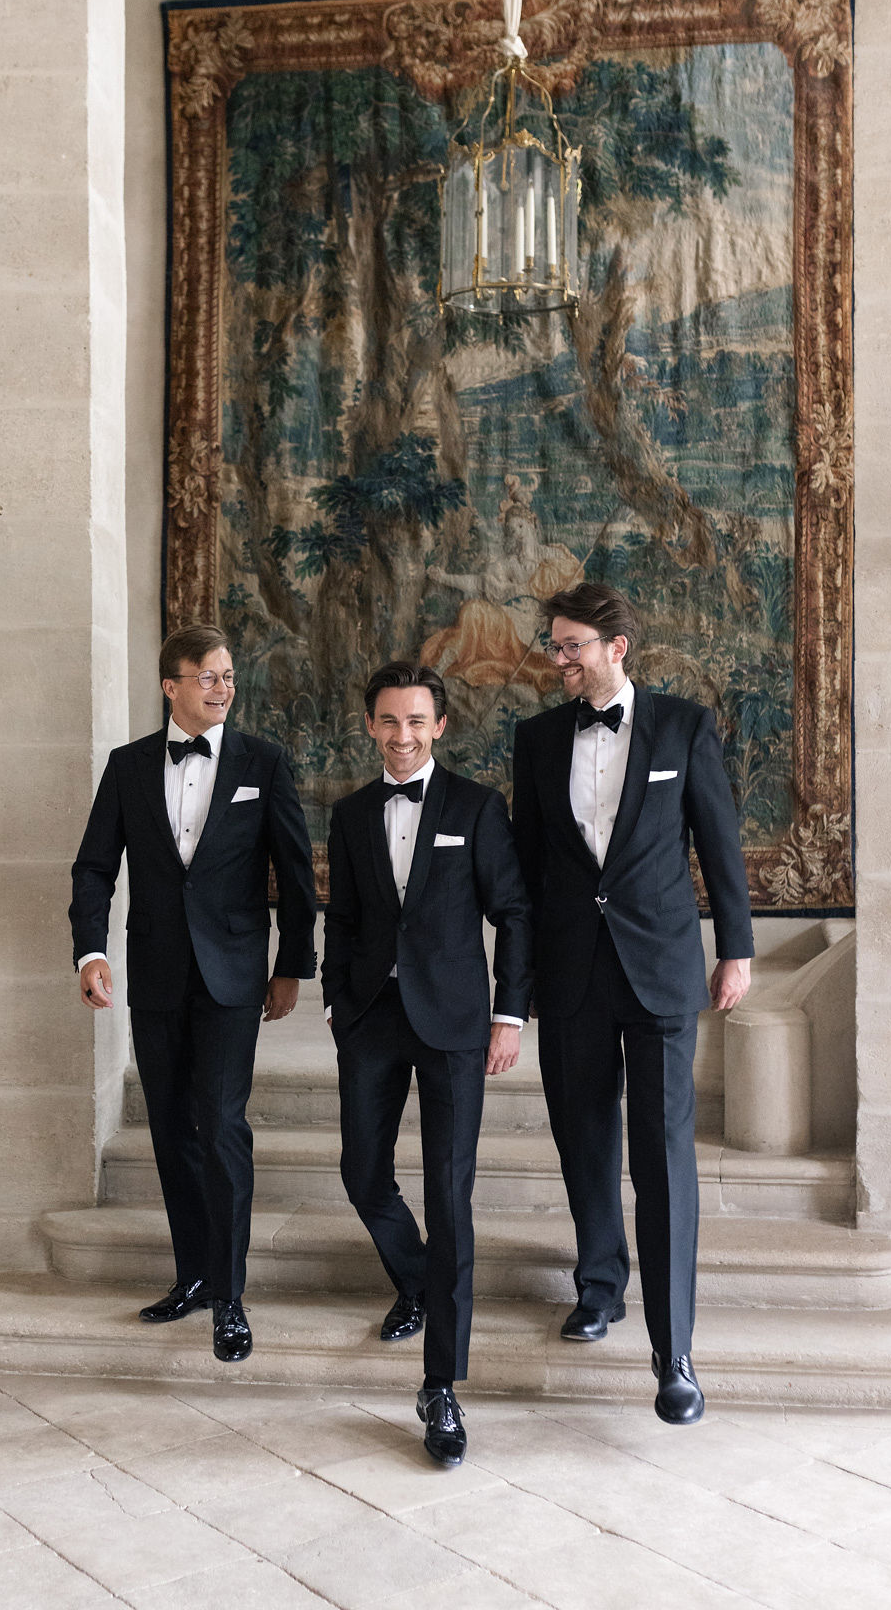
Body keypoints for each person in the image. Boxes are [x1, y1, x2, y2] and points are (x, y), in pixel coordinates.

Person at [512, 583, 753, 1425]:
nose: (559, 658)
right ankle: (598, 1287)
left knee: (661, 1157)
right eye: (555, 645)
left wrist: (737, 948)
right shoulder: (536, 738)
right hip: (570, 970)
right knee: (582, 1140)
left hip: (659, 972)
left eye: (572, 644)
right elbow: (528, 869)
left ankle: (674, 1351)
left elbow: (718, 842)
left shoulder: (683, 727)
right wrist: (517, 981)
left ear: (617, 646)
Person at [70, 623, 317, 1364]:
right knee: (173, 1130)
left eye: (229, 675)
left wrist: (291, 968)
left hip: (234, 977)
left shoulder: (262, 763)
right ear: (170, 685)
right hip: (154, 975)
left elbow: (295, 877)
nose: (222, 687)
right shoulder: (127, 766)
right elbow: (93, 869)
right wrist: (89, 951)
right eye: (207, 676)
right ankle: (194, 1277)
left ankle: (231, 1299)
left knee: (219, 1124)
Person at [323, 661, 531, 1465]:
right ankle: (413, 1278)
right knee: (360, 1172)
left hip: (453, 1027)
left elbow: (510, 914)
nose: (402, 736)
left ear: (439, 726)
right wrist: (339, 1003)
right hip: (371, 1021)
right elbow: (340, 914)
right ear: (369, 726)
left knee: (450, 1198)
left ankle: (440, 1385)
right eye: (387, 721)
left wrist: (507, 1014)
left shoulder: (477, 807)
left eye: (416, 722)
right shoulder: (349, 814)